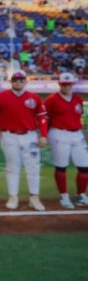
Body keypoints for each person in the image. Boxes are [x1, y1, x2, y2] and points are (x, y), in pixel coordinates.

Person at [0, 70, 48, 211]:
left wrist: (43, 135)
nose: (18, 82)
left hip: (30, 135)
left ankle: (34, 198)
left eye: (21, 79)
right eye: (15, 79)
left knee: (33, 168)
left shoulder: (34, 97)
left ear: (25, 81)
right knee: (12, 168)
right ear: (11, 81)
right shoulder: (0, 96)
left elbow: (42, 117)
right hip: (9, 136)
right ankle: (13, 197)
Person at [44, 72, 88, 208]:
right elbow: (45, 118)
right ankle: (64, 196)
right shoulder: (51, 99)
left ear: (73, 85)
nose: (67, 86)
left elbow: (78, 115)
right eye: (64, 84)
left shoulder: (78, 99)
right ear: (59, 84)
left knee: (84, 167)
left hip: (76, 134)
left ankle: (81, 195)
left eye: (69, 84)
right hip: (59, 133)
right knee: (61, 167)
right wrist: (44, 135)